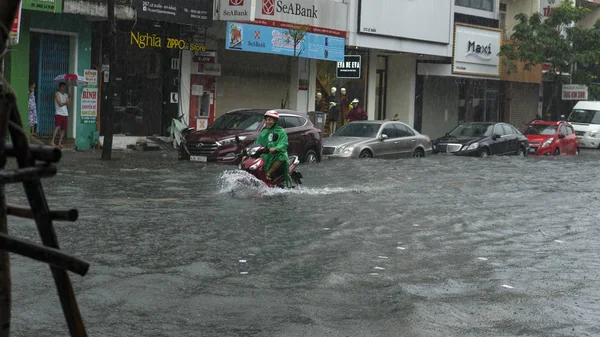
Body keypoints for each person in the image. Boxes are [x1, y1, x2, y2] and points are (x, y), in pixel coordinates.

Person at [255, 110, 290, 184]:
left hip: (277, 153)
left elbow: (284, 143)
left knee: (281, 157)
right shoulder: (264, 131)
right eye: (266, 120)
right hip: (265, 153)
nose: (267, 122)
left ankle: (269, 173)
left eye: (270, 120)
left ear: (275, 121)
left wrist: (276, 148)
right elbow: (257, 142)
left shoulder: (281, 131)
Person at [51, 82, 70, 148]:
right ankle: (52, 141)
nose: (64, 88)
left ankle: (59, 143)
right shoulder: (57, 94)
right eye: (63, 86)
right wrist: (66, 102)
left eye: (65, 87)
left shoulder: (66, 95)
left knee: (63, 129)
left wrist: (69, 97)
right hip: (59, 113)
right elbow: (60, 104)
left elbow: (68, 103)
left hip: (65, 113)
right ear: (60, 87)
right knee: (57, 127)